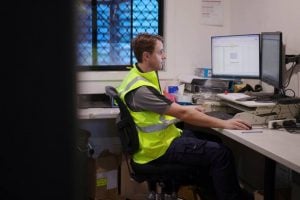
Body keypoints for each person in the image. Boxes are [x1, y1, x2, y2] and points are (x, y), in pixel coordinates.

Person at [117, 33, 252, 200]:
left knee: (216, 142)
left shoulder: (139, 75)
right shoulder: (141, 89)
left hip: (160, 141)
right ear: (146, 56)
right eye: (160, 52)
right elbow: (182, 113)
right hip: (156, 150)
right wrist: (225, 123)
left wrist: (193, 109)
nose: (164, 56)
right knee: (221, 154)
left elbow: (166, 109)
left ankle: (213, 194)